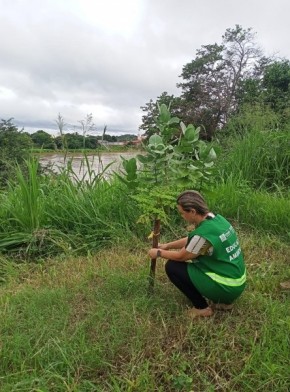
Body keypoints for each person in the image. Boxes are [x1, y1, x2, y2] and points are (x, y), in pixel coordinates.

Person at [148, 190, 246, 318]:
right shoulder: (216, 220)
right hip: (236, 282)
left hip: (226, 287)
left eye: (182, 213)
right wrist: (167, 245)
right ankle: (223, 302)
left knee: (173, 267)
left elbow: (181, 256)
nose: (182, 216)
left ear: (193, 211)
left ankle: (202, 308)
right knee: (184, 263)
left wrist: (159, 253)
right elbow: (193, 241)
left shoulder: (203, 234)